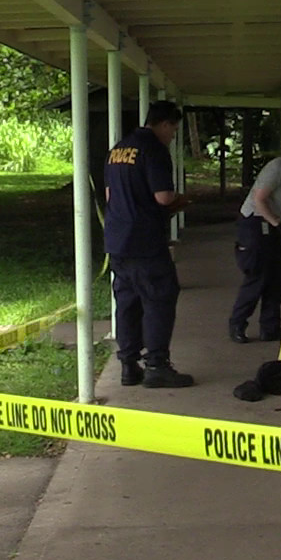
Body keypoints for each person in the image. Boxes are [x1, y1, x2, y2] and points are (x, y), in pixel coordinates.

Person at [103, 100, 194, 388]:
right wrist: (180, 200)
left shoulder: (118, 149)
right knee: (159, 298)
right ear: (164, 124)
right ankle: (157, 365)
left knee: (127, 302)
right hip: (145, 240)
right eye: (174, 129)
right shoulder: (154, 149)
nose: (173, 135)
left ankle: (129, 365)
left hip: (118, 240)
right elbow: (163, 197)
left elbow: (108, 195)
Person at [229, 128, 281, 343]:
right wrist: (277, 224)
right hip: (255, 222)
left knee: (278, 276)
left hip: (272, 223)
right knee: (258, 276)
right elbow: (259, 199)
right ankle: (237, 324)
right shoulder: (277, 168)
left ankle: (270, 327)